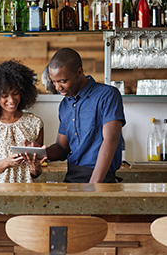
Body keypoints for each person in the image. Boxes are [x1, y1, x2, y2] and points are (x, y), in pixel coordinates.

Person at [45, 48, 126, 183]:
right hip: (72, 176)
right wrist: (39, 152)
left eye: (63, 81)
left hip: (100, 178)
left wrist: (93, 186)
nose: (58, 87)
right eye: (54, 81)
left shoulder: (107, 95)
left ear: (79, 72)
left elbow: (111, 140)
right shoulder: (65, 104)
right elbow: (62, 148)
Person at [0, 60, 47, 183]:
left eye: (15, 93)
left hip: (26, 195)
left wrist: (35, 167)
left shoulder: (35, 124)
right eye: (4, 95)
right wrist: (6, 162)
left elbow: (35, 174)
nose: (11, 100)